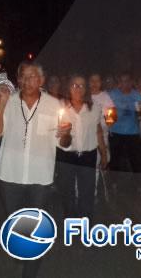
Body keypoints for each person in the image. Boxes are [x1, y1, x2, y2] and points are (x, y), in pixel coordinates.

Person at [0, 60, 71, 278]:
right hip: (10, 175)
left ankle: (30, 270)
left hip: (40, 178)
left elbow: (64, 143)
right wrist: (3, 103)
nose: (28, 80)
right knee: (15, 220)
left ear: (42, 80)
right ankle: (19, 248)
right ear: (18, 79)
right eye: (24, 76)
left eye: (33, 76)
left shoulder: (55, 105)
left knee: (37, 226)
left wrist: (65, 134)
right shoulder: (8, 101)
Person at [55, 75, 107, 220]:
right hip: (66, 155)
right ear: (68, 88)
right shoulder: (60, 107)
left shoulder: (95, 108)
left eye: (81, 85)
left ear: (86, 90)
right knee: (67, 190)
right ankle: (70, 219)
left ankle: (85, 220)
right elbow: (61, 141)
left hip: (88, 155)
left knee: (87, 191)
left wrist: (103, 153)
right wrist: (65, 134)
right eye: (74, 85)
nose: (77, 89)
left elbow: (98, 131)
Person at [108, 72, 141, 196]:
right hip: (116, 132)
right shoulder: (113, 94)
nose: (125, 84)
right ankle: (113, 184)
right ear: (119, 82)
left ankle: (139, 186)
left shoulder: (137, 95)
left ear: (131, 82)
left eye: (127, 81)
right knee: (115, 160)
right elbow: (109, 116)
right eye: (122, 81)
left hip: (132, 132)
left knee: (136, 161)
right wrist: (111, 121)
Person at [88, 73, 116, 200]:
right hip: (85, 136)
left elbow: (112, 117)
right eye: (92, 80)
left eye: (97, 80)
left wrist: (104, 123)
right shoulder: (84, 94)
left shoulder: (105, 97)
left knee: (99, 161)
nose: (94, 83)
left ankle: (93, 193)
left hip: (101, 135)